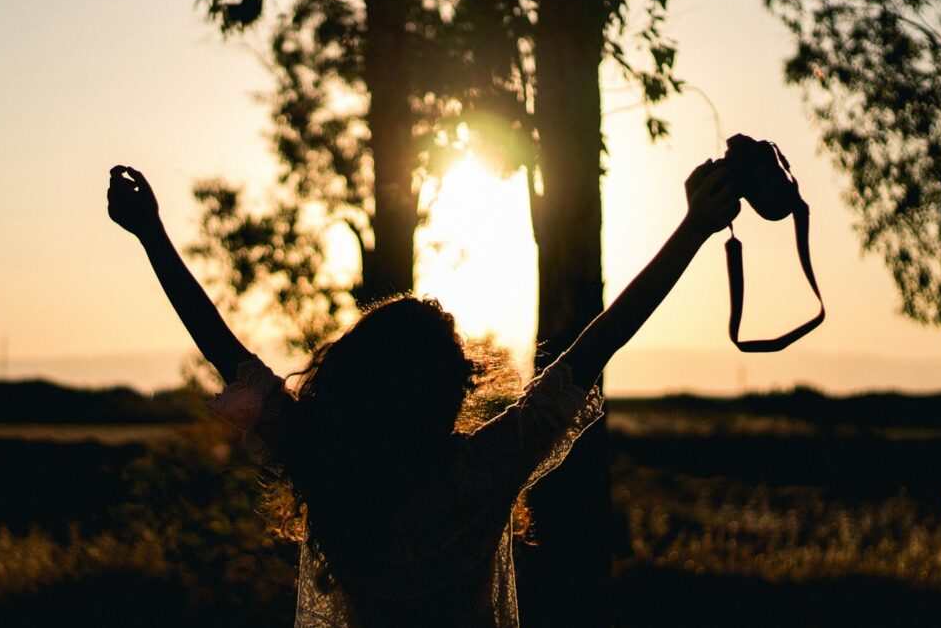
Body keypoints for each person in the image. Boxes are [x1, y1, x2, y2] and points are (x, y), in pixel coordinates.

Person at [107, 159, 739, 627]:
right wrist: (694, 227)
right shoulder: (486, 470)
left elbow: (224, 350)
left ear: (351, 379)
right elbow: (595, 349)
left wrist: (151, 233)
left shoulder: (326, 464)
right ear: (449, 390)